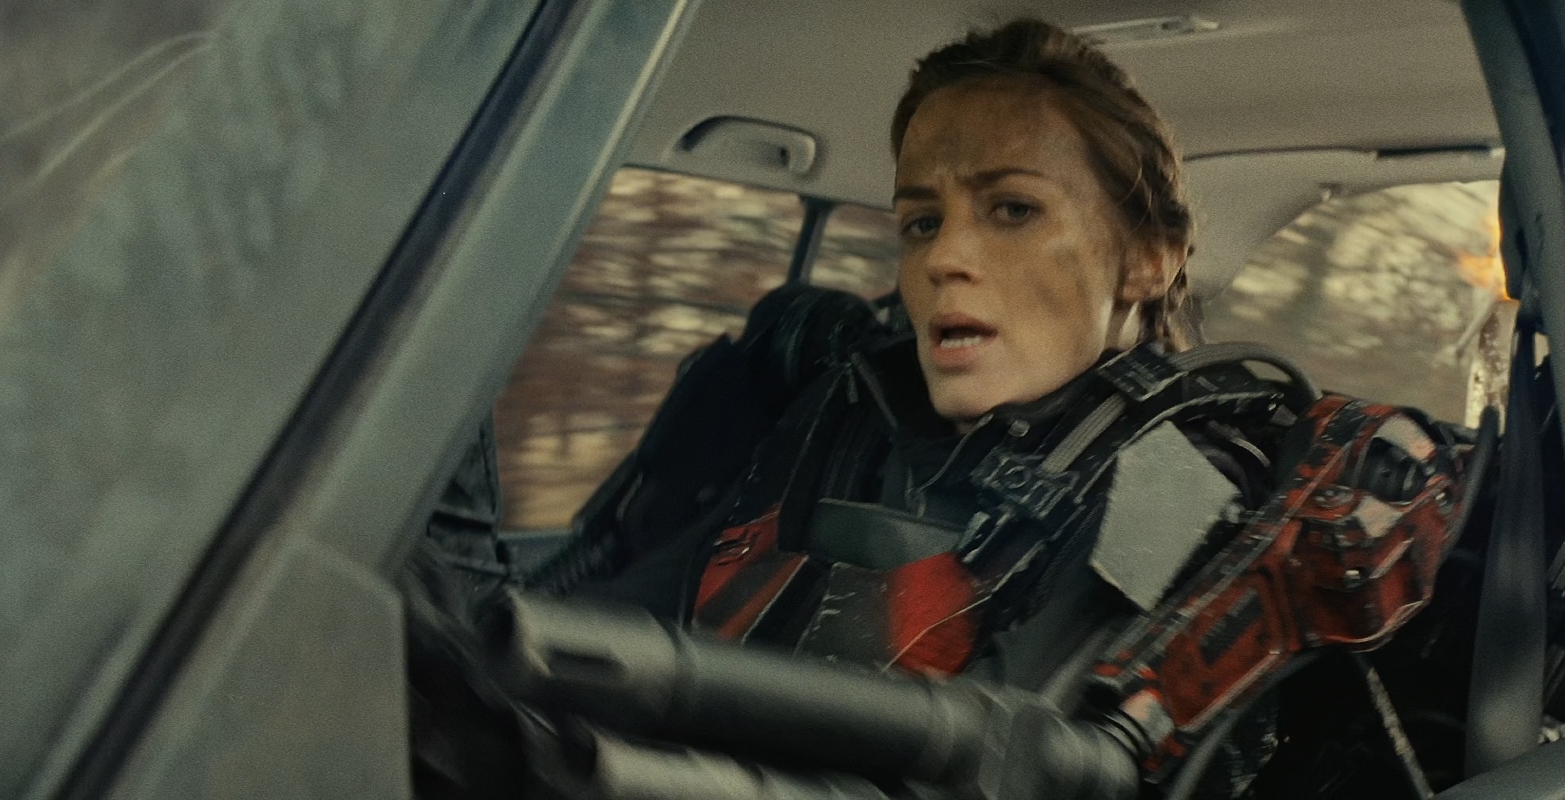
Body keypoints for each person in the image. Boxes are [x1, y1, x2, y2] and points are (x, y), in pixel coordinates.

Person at [409, 18, 1482, 800]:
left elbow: (1000, 762)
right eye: (921, 221)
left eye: (1011, 209)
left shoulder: (1177, 480)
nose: (945, 258)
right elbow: (601, 626)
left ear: (1148, 260)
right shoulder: (846, 413)